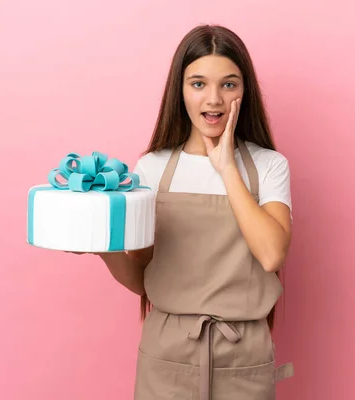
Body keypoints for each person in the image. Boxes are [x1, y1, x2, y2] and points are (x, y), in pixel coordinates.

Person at [97, 24, 294, 399]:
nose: (214, 100)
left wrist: (227, 169)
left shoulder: (270, 165)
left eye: (229, 84)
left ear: (245, 91)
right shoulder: (152, 169)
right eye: (199, 84)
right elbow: (142, 278)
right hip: (167, 354)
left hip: (243, 354)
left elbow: (271, 254)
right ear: (180, 90)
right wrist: (98, 245)